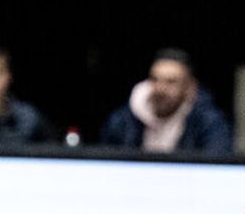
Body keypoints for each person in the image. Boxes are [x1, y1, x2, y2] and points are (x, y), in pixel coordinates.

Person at [98, 48, 232, 153]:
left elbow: (215, 168)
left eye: (171, 82)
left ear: (190, 88)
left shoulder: (209, 123)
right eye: (155, 79)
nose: (161, 89)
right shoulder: (122, 120)